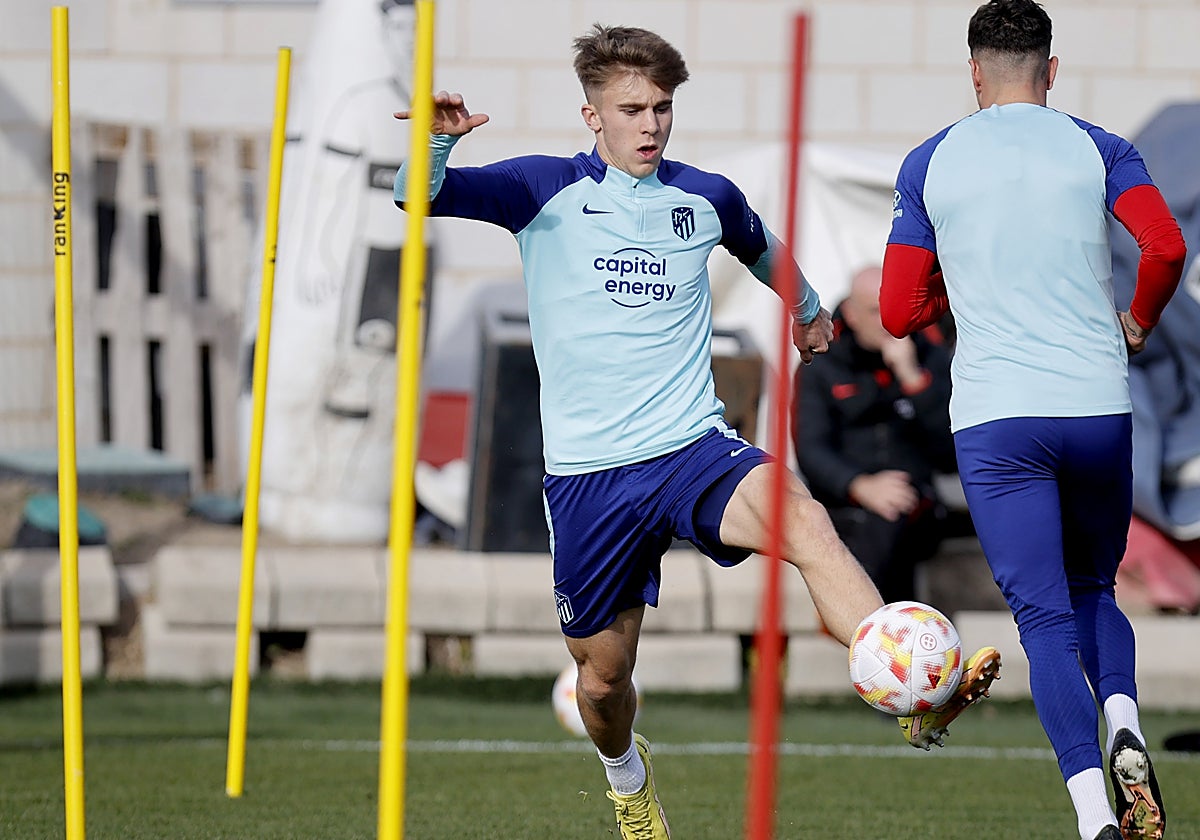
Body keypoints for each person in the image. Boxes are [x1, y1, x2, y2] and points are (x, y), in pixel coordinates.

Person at [394, 24, 998, 838]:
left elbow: (762, 246)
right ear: (592, 115)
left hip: (692, 449)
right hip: (589, 479)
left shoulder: (703, 197)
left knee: (806, 521)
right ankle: (625, 775)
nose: (650, 125)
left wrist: (811, 310)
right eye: (632, 108)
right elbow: (418, 196)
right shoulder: (542, 189)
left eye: (663, 108)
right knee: (603, 683)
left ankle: (913, 696)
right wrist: (435, 143)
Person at [880, 3, 1187, 839]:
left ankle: (1093, 816)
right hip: (1095, 406)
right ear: (1051, 71)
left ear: (974, 73)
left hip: (997, 418)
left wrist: (952, 289)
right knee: (1095, 590)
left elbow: (897, 311)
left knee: (1045, 618)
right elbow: (1165, 248)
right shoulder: (1101, 146)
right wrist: (1141, 321)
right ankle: (1121, 711)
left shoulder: (930, 160)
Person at [793, 265, 959, 605]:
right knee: (873, 522)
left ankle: (869, 626)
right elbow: (810, 448)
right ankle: (892, 630)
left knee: (893, 514)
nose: (886, 319)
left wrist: (913, 379)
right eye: (874, 310)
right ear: (851, 314)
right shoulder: (823, 363)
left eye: (891, 306)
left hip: (917, 501)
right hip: (845, 499)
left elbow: (951, 452)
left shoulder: (931, 356)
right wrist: (860, 486)